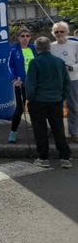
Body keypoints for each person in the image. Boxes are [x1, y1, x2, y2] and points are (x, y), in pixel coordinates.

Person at [25, 37, 72, 169]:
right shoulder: (59, 61)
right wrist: (62, 96)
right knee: (58, 129)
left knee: (40, 130)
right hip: (56, 100)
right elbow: (66, 83)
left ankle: (43, 158)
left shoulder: (35, 62)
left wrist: (30, 98)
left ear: (36, 48)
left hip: (39, 101)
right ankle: (65, 158)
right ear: (49, 47)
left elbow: (31, 84)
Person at [7, 27, 37, 143]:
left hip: (34, 84)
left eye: (27, 36)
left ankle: (38, 131)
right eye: (22, 36)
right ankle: (13, 133)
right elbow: (10, 66)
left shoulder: (34, 48)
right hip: (21, 83)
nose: (25, 38)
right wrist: (14, 80)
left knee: (35, 108)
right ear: (18, 38)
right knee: (19, 109)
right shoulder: (14, 50)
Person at [50, 21, 78, 143]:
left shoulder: (75, 44)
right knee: (56, 108)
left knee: (74, 107)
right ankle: (58, 131)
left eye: (62, 31)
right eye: (56, 32)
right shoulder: (51, 46)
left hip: (73, 79)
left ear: (67, 32)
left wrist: (71, 67)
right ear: (53, 33)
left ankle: (74, 132)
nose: (59, 34)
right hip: (57, 82)